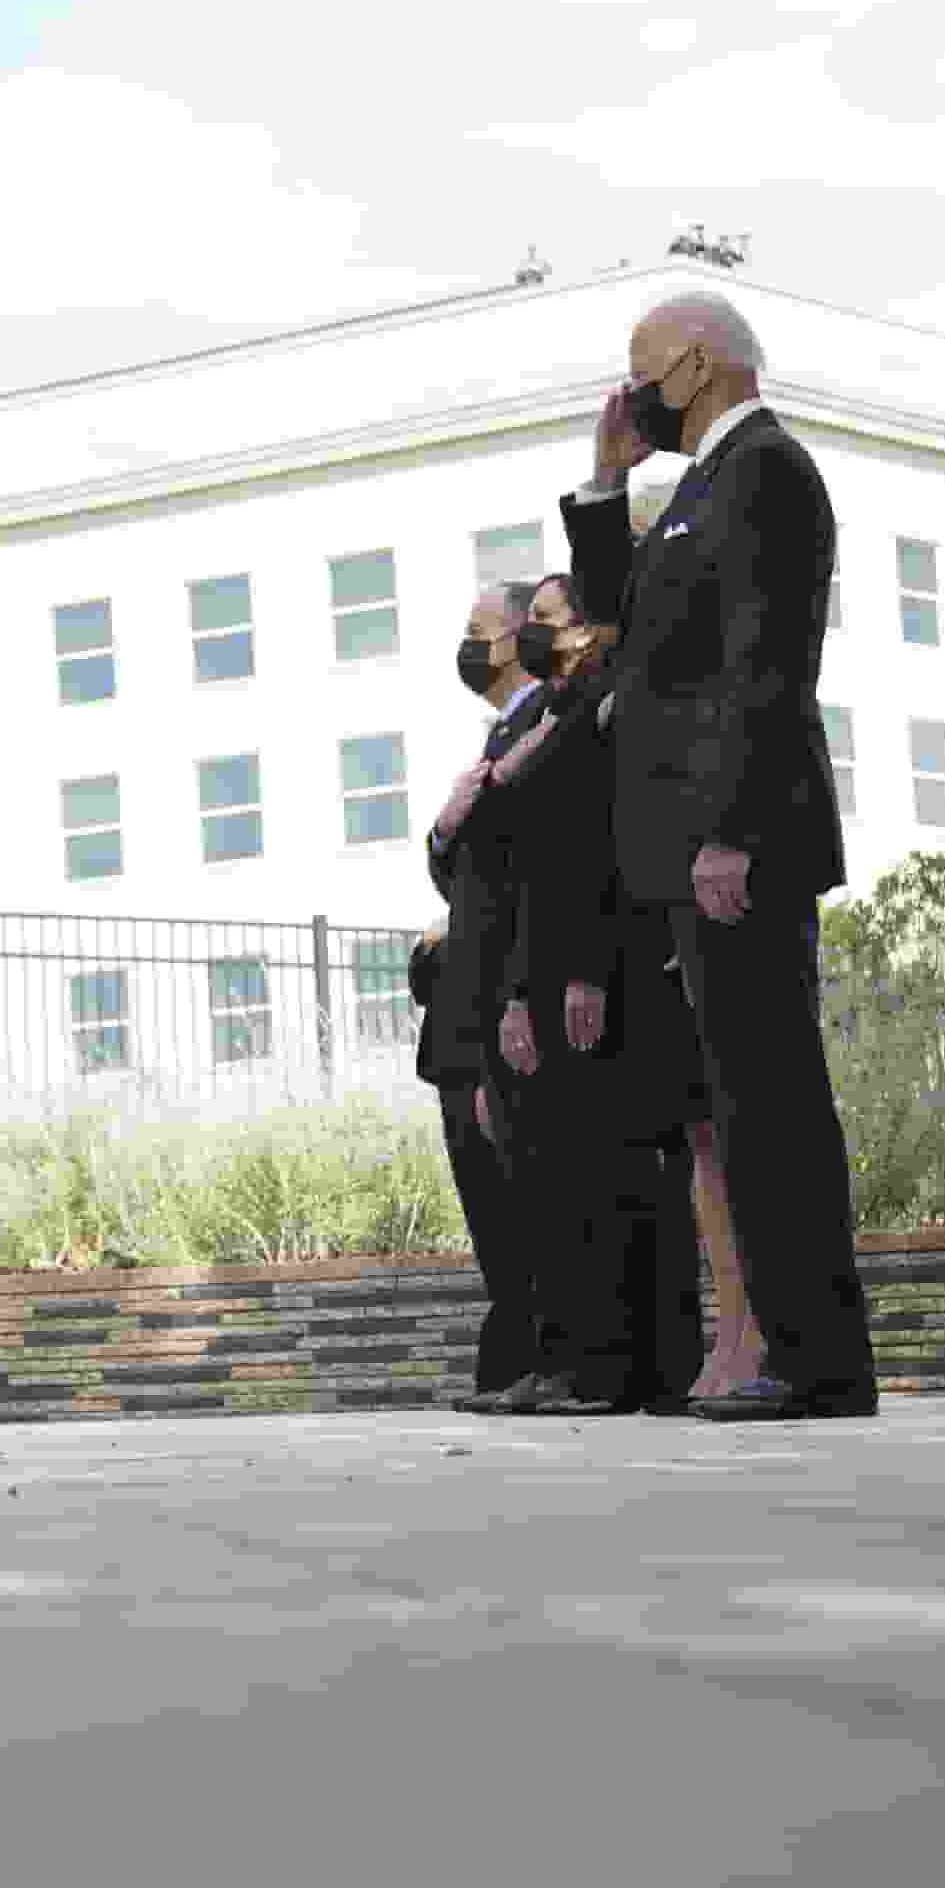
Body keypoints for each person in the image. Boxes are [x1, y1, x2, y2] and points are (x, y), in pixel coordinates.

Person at [568, 288, 876, 1421]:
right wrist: (604, 483)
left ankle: (817, 1358)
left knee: (772, 1103)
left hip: (730, 845)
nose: (627, 390)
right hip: (684, 850)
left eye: (639, 368)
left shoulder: (767, 473)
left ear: (695, 365)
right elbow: (625, 622)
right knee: (740, 1104)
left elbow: (764, 666)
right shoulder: (697, 487)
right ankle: (796, 1353)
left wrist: (731, 831)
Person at [473, 569, 717, 1414]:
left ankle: (629, 1367)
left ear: (588, 625)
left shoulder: (606, 706)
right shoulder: (556, 713)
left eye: (545, 620)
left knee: (624, 1185)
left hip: (606, 969)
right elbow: (526, 866)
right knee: (568, 1187)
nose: (533, 638)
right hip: (543, 967)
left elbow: (600, 852)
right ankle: (575, 1362)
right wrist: (517, 990)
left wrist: (585, 970)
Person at [417, 579, 561, 1411]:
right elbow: (460, 870)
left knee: (524, 1193)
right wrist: (445, 823)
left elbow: (524, 873)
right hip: (468, 1007)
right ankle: (517, 1357)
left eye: (481, 631)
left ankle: (541, 1355)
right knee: (493, 1202)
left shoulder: (543, 723)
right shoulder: (495, 737)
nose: (470, 647)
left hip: (509, 997)